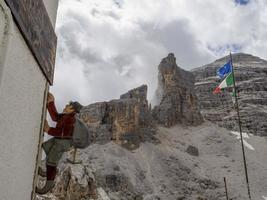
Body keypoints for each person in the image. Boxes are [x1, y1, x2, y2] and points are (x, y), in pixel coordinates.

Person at [36, 92, 82, 195]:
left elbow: (62, 133)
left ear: (73, 110)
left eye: (68, 106)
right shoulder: (65, 116)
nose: (65, 106)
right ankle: (48, 171)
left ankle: (49, 184)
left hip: (62, 143)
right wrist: (51, 103)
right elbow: (55, 117)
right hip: (58, 140)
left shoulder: (71, 120)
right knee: (46, 146)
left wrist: (48, 129)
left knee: (51, 161)